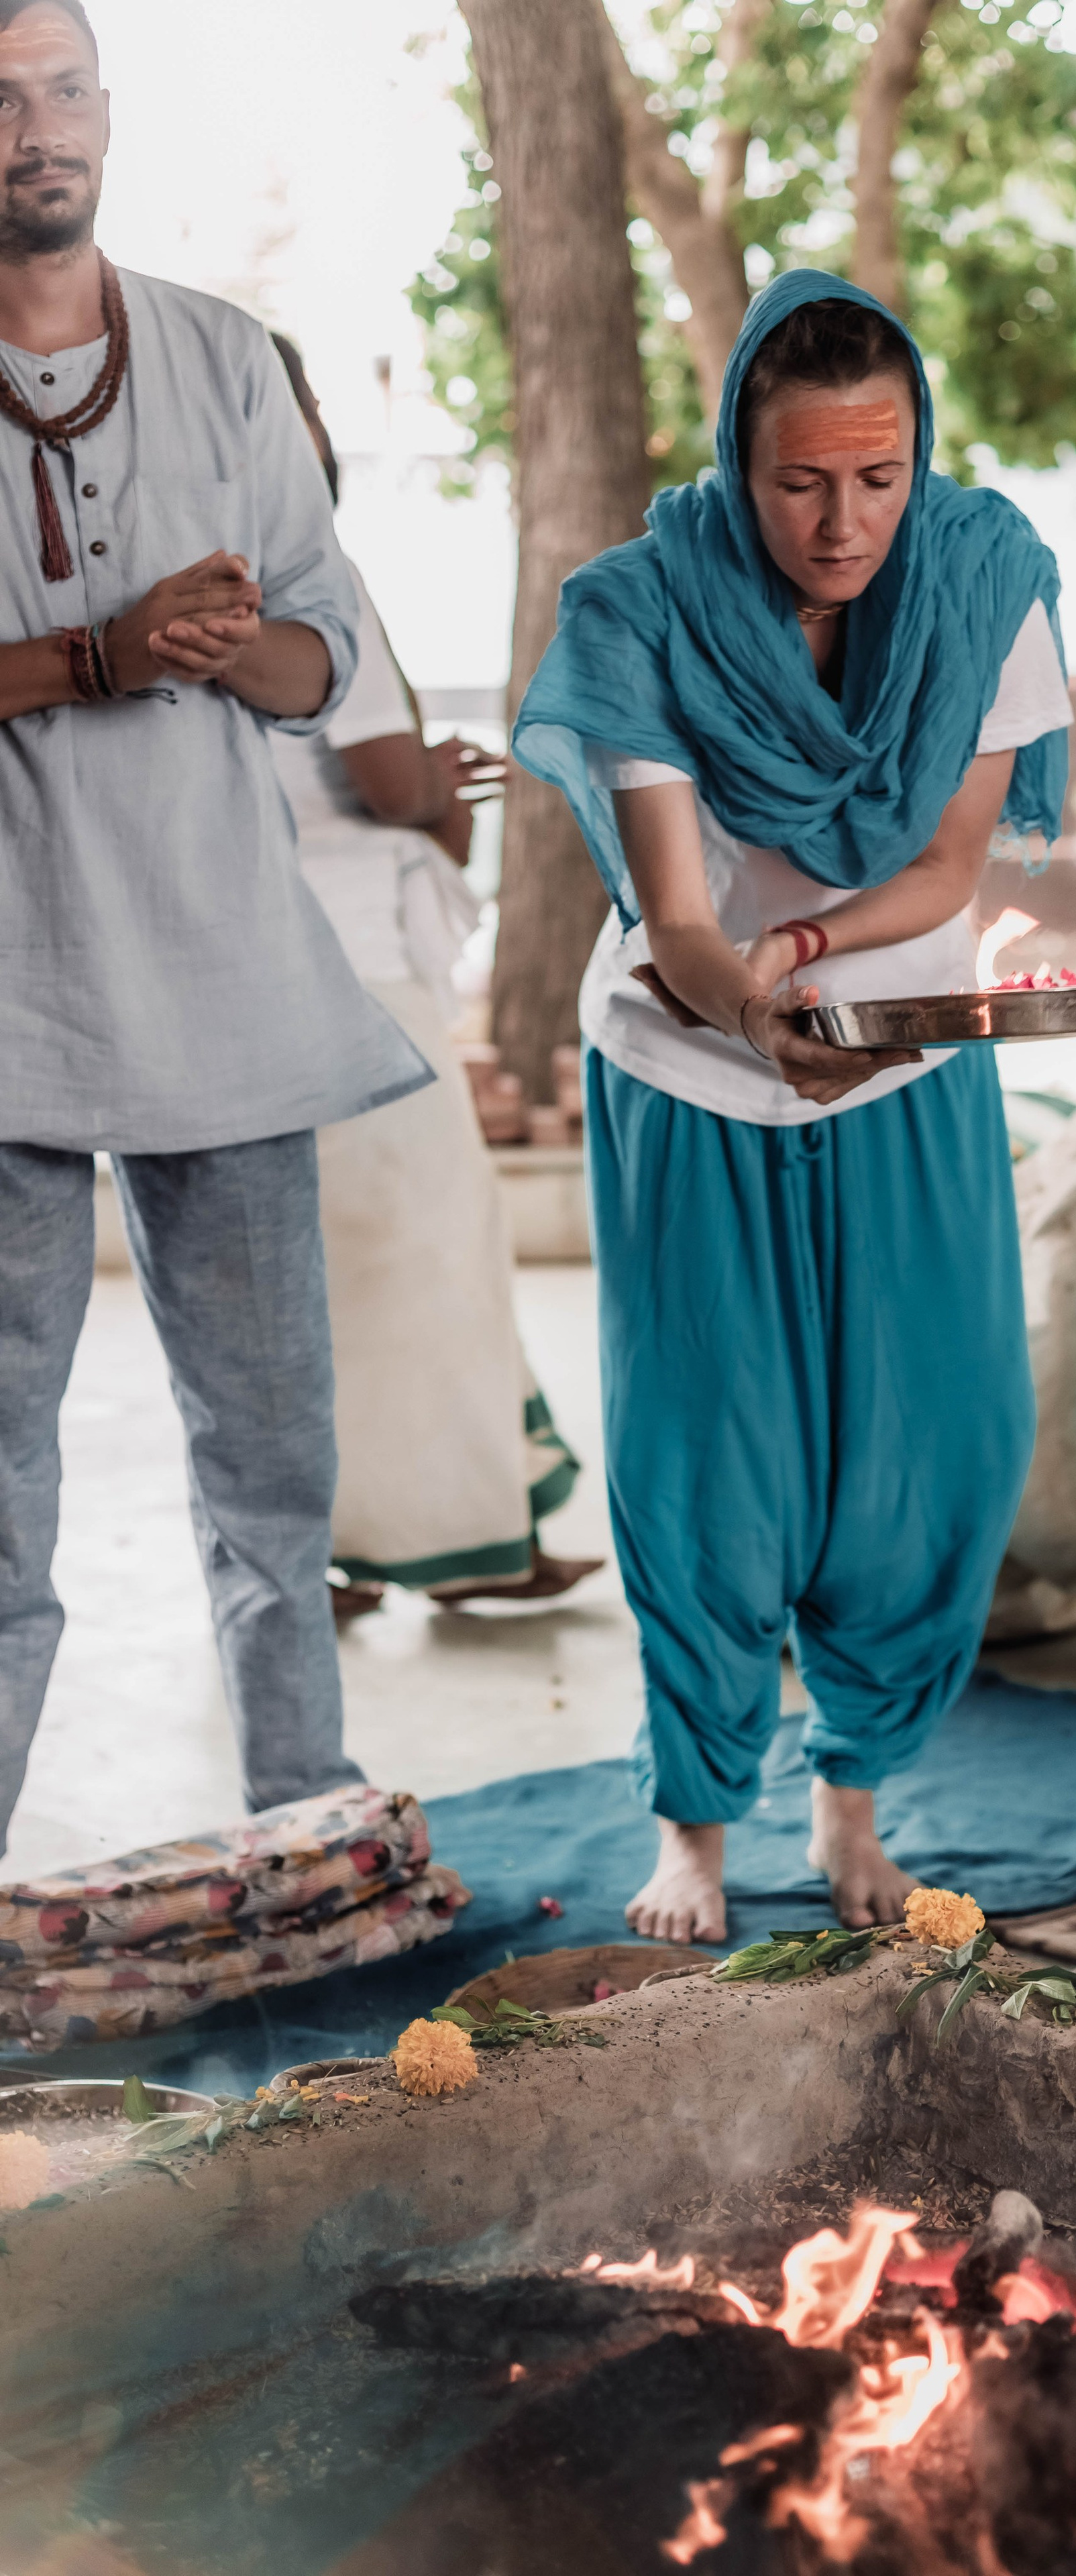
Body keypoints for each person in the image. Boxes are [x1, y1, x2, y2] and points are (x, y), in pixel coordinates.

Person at [513, 270, 1068, 1943]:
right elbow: (681, 919)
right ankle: (694, 1818)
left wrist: (819, 954)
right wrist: (761, 1003)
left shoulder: (986, 581)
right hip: (697, 1072)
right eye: (800, 482)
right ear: (736, 459)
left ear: (922, 458)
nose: (843, 524)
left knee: (941, 1441)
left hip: (895, 1055)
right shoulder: (639, 610)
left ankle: (849, 1808)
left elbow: (954, 862)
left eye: (879, 477)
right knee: (711, 1457)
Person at [0, 0, 428, 1856]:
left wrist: (215, 641)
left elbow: (325, 652)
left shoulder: (225, 360)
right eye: (4, 100)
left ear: (112, 110)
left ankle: (307, 1837)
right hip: (11, 1007)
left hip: (230, 990)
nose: (42, 129)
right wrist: (97, 652)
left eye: (69, 89)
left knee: (272, 1472)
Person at [268, 338, 597, 1617]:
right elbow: (395, 783)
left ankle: (350, 1549)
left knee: (328, 1277)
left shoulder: (188, 577)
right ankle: (462, 1541)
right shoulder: (310, 572)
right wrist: (444, 784)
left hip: (282, 963)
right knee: (428, 1252)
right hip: (354, 968)